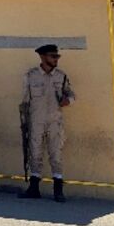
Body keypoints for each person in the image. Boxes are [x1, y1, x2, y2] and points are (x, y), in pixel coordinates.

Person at [19, 43, 75, 202]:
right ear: (43, 57)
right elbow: (25, 101)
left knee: (55, 155)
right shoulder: (31, 76)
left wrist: (68, 101)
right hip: (35, 121)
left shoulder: (61, 76)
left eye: (57, 56)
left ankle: (58, 190)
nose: (56, 59)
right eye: (53, 56)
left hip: (55, 122)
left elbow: (72, 95)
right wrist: (24, 122)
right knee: (35, 154)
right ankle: (34, 188)